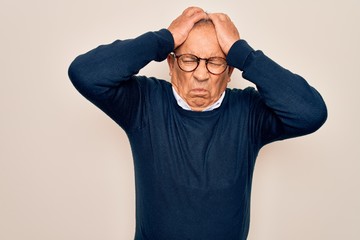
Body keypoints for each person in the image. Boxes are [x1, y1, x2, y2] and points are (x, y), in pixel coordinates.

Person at [68, 6, 327, 240]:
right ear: (171, 64)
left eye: (215, 62)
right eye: (189, 60)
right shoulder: (143, 104)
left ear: (229, 73)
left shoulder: (249, 113)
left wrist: (243, 54)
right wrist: (164, 39)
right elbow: (85, 73)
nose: (201, 75)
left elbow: (311, 113)